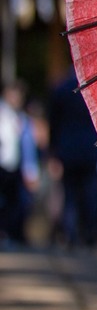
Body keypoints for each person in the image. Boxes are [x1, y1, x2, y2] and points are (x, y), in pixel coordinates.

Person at [48, 69, 97, 249]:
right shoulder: (93, 87)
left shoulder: (61, 89)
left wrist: (53, 152)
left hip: (68, 149)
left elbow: (54, 123)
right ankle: (90, 233)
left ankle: (70, 234)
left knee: (70, 194)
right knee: (90, 193)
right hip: (90, 148)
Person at [0, 81, 39, 247]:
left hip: (15, 167)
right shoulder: (4, 115)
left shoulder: (21, 118)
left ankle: (12, 234)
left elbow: (27, 146)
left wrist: (30, 170)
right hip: (3, 165)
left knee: (16, 202)